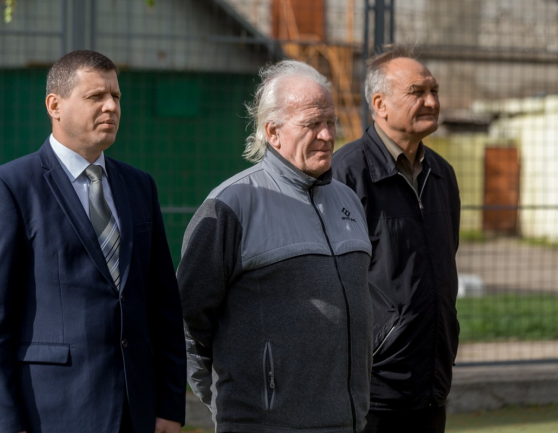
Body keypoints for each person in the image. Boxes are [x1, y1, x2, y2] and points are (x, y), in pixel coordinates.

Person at [0, 50, 186, 433]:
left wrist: (169, 404)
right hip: (51, 413)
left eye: (115, 96)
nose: (111, 106)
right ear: (54, 105)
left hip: (137, 412)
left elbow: (163, 304)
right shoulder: (8, 188)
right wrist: (3, 424)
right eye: (95, 96)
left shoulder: (139, 186)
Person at [177, 60, 373, 433]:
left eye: (330, 122)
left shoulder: (348, 200)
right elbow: (185, 320)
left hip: (349, 423)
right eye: (312, 124)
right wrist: (230, 404)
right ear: (273, 131)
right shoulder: (231, 205)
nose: (326, 134)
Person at [332, 45, 461, 433]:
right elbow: (332, 282)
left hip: (432, 380)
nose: (431, 101)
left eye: (434, 91)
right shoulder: (344, 175)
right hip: (372, 387)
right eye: (417, 92)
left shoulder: (442, 174)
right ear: (380, 104)